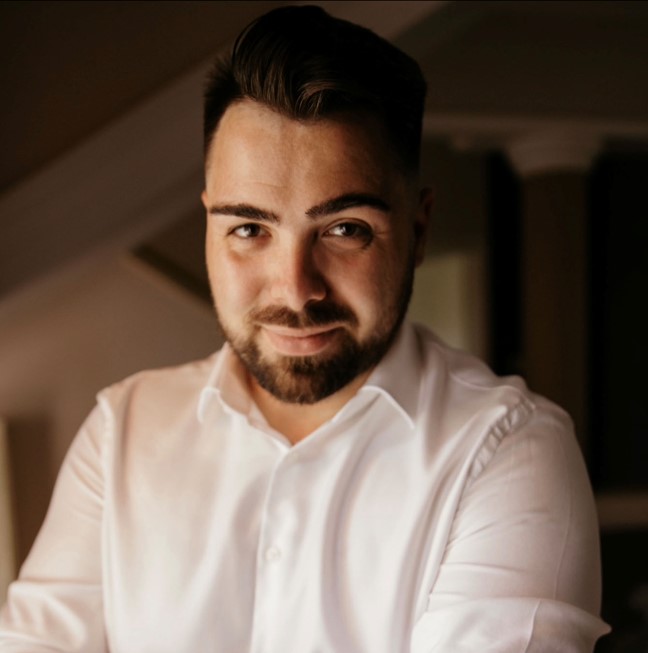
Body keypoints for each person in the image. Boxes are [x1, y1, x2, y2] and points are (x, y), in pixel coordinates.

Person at [0, 5, 609, 652]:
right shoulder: (121, 430)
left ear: (419, 228)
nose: (295, 290)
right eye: (249, 228)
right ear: (209, 226)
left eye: (345, 229)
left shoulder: (511, 450)